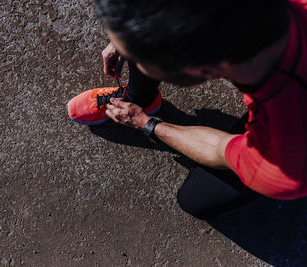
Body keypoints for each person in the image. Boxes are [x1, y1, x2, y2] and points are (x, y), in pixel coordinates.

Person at [67, 0, 307, 220]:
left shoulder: (283, 163)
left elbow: (218, 149)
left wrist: (145, 122)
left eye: (135, 59)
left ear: (204, 73)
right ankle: (141, 96)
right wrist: (128, 31)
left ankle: (143, 101)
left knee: (197, 197)